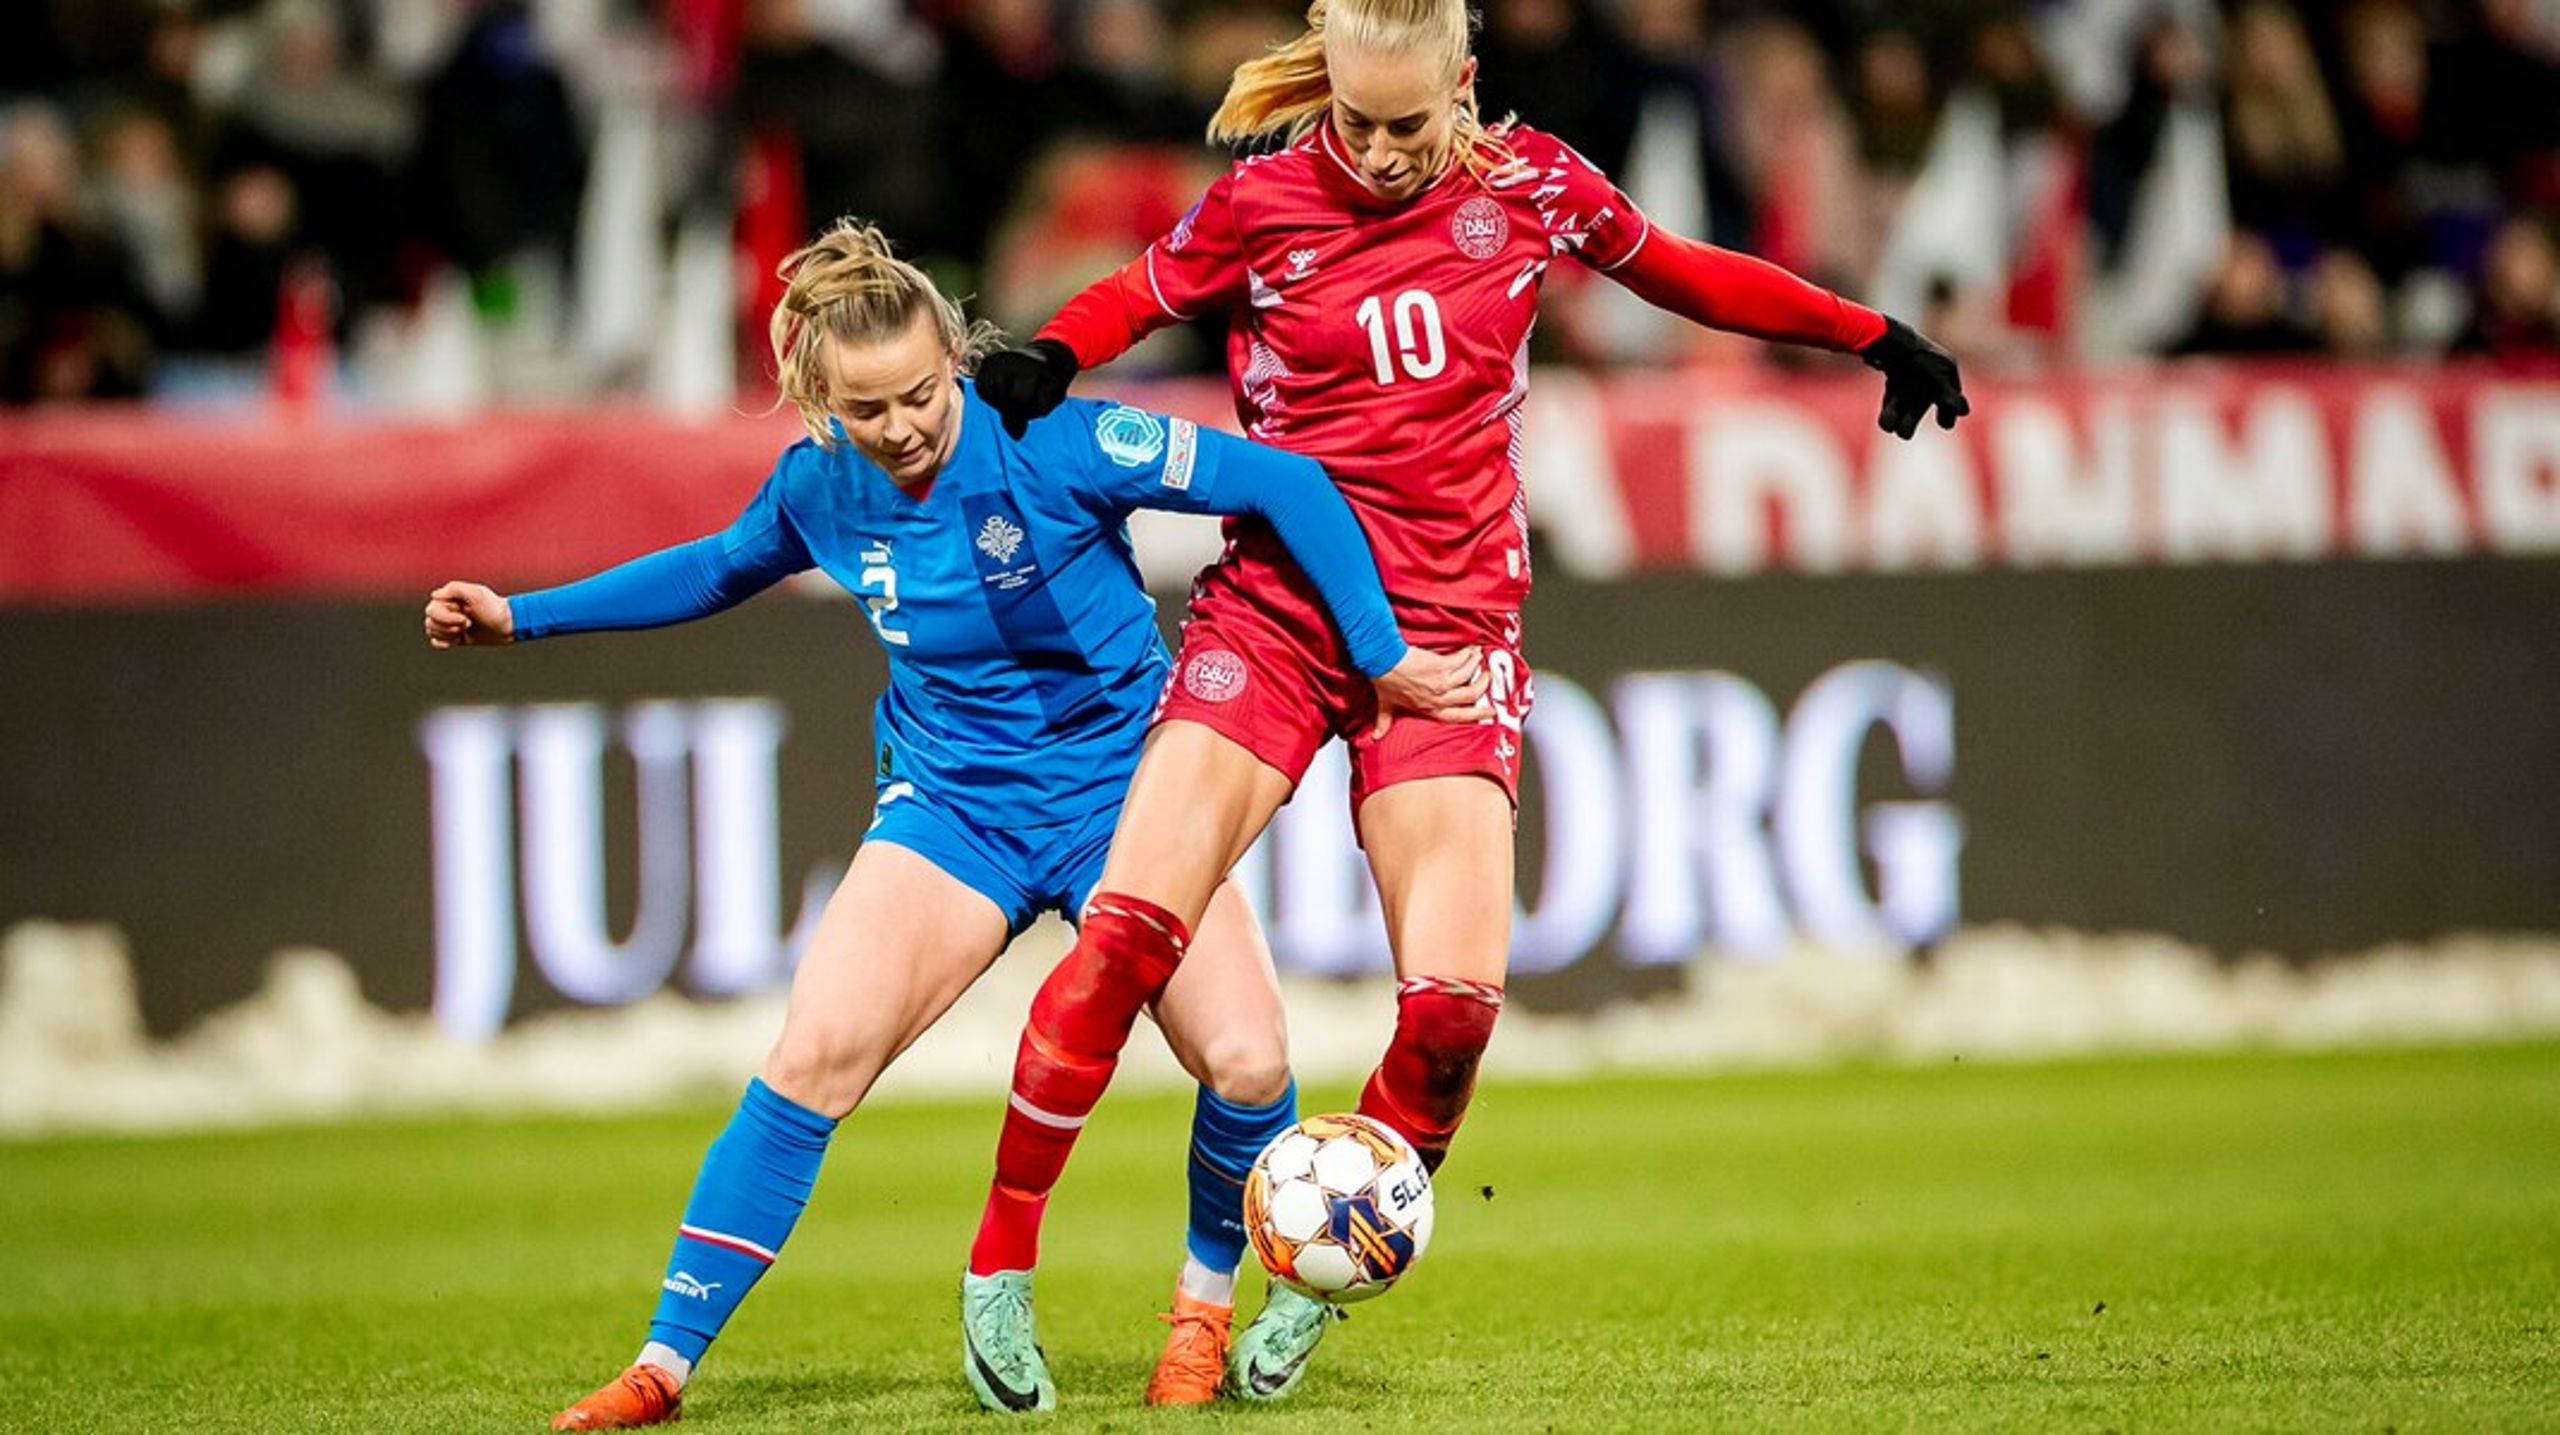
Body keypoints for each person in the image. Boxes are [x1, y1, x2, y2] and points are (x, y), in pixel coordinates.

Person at [956, 0, 1971, 1409]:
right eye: (1351, 121)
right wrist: (1055, 351)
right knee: (1127, 931)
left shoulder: (1534, 184)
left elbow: (1688, 276)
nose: (1372, 150)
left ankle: (1322, 1262)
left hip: (1448, 633)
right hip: (1279, 611)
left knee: (1450, 1020)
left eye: (1404, 122)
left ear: (1465, 87)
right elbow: (1139, 291)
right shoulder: (1261, 198)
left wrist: (1870, 332)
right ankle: (999, 1271)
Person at [421, 216, 1485, 1430]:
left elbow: (1285, 481)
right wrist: (522, 616)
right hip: (955, 810)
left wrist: (1381, 654)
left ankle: (1196, 1316)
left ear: (954, 360)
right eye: (868, 410)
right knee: (811, 1056)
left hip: (1126, 795)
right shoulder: (816, 483)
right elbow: (716, 567)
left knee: (1247, 1062)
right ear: (821, 403)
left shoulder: (1054, 436)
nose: (905, 427)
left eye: (922, 394)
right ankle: (662, 1365)